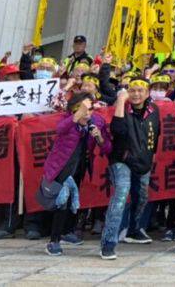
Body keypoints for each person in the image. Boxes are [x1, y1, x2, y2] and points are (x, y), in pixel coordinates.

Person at [42, 92, 111, 256]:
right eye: (82, 109)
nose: (87, 113)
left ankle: (67, 232)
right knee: (61, 202)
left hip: (80, 166)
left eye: (89, 109)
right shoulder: (68, 120)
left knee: (73, 201)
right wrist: (78, 113)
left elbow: (107, 147)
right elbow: (60, 129)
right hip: (61, 167)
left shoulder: (97, 122)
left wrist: (99, 137)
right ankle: (54, 241)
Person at [100, 77, 160, 260]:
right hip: (121, 160)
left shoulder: (153, 110)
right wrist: (120, 100)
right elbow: (117, 130)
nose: (136, 94)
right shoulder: (123, 108)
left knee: (141, 196)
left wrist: (151, 157)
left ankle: (133, 231)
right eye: (132, 90)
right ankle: (108, 242)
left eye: (140, 90)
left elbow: (156, 134)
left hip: (143, 162)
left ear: (147, 93)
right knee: (121, 193)